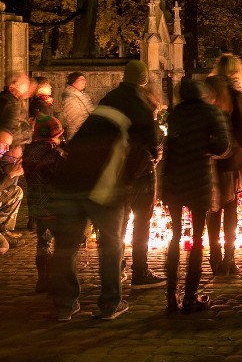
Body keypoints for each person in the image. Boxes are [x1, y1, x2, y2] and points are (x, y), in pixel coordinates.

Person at [49, 60, 159, 321]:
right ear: (143, 80)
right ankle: (110, 303)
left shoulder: (108, 98)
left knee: (66, 245)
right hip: (103, 182)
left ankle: (64, 304)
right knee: (111, 244)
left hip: (70, 175)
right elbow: (152, 143)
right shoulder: (139, 106)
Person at [161, 78, 231, 313]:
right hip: (198, 179)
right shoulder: (211, 113)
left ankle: (171, 295)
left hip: (174, 179)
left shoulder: (176, 114)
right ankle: (190, 297)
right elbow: (222, 145)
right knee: (198, 239)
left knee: (175, 236)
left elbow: (171, 144)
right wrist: (205, 146)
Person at [206, 54, 242, 276]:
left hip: (208, 156)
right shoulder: (236, 94)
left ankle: (214, 256)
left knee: (212, 208)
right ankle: (229, 258)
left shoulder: (208, 91)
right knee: (230, 207)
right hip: (231, 157)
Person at [120, 82, 167, 289]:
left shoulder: (121, 117)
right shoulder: (148, 120)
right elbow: (155, 146)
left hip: (120, 176)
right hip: (142, 177)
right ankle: (140, 271)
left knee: (119, 225)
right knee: (141, 224)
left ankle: (116, 267)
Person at [22, 115, 65, 291]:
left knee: (43, 242)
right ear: (53, 136)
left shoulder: (29, 152)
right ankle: (57, 280)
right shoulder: (53, 155)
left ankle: (43, 281)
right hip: (53, 205)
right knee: (62, 242)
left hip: (36, 205)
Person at [0, 72, 31, 250]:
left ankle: (4, 229)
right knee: (11, 187)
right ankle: (3, 230)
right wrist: (12, 144)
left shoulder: (10, 100)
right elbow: (7, 128)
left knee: (14, 188)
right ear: (14, 85)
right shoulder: (10, 101)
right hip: (9, 152)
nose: (27, 86)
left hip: (9, 150)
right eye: (24, 82)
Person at [60, 71, 94, 140]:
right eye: (81, 80)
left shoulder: (83, 95)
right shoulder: (69, 98)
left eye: (84, 80)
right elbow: (78, 119)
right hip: (77, 136)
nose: (84, 81)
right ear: (73, 82)